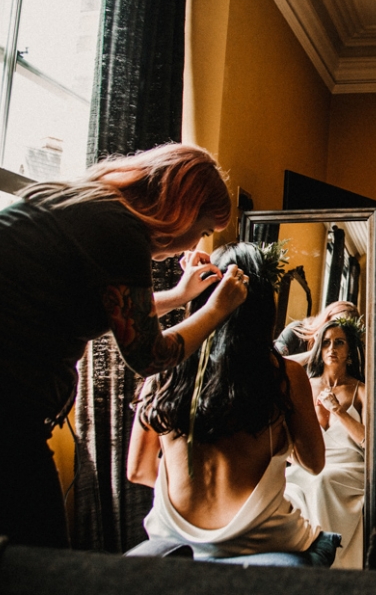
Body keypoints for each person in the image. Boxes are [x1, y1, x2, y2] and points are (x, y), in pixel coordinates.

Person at [0, 143, 248, 548]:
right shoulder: (118, 233)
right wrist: (217, 309)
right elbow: (151, 356)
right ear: (182, 209)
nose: (193, 245)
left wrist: (179, 295)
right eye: (202, 230)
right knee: (39, 555)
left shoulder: (89, 204)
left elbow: (115, 306)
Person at [127, 242, 340, 566]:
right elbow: (313, 464)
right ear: (262, 309)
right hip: (259, 537)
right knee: (326, 541)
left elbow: (138, 470)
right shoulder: (284, 374)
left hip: (175, 537)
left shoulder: (164, 367)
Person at [284, 317, 366, 569]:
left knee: (322, 480)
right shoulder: (304, 386)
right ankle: (295, 563)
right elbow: (287, 437)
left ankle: (328, 563)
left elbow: (367, 442)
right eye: (327, 343)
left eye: (339, 343)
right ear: (319, 349)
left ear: (349, 350)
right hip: (309, 463)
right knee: (284, 484)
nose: (332, 348)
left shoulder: (360, 390)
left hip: (349, 468)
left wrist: (339, 411)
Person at [274, 300, 360, 366]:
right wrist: (313, 353)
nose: (337, 331)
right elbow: (274, 363)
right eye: (334, 324)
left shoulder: (335, 354)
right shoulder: (296, 331)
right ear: (326, 318)